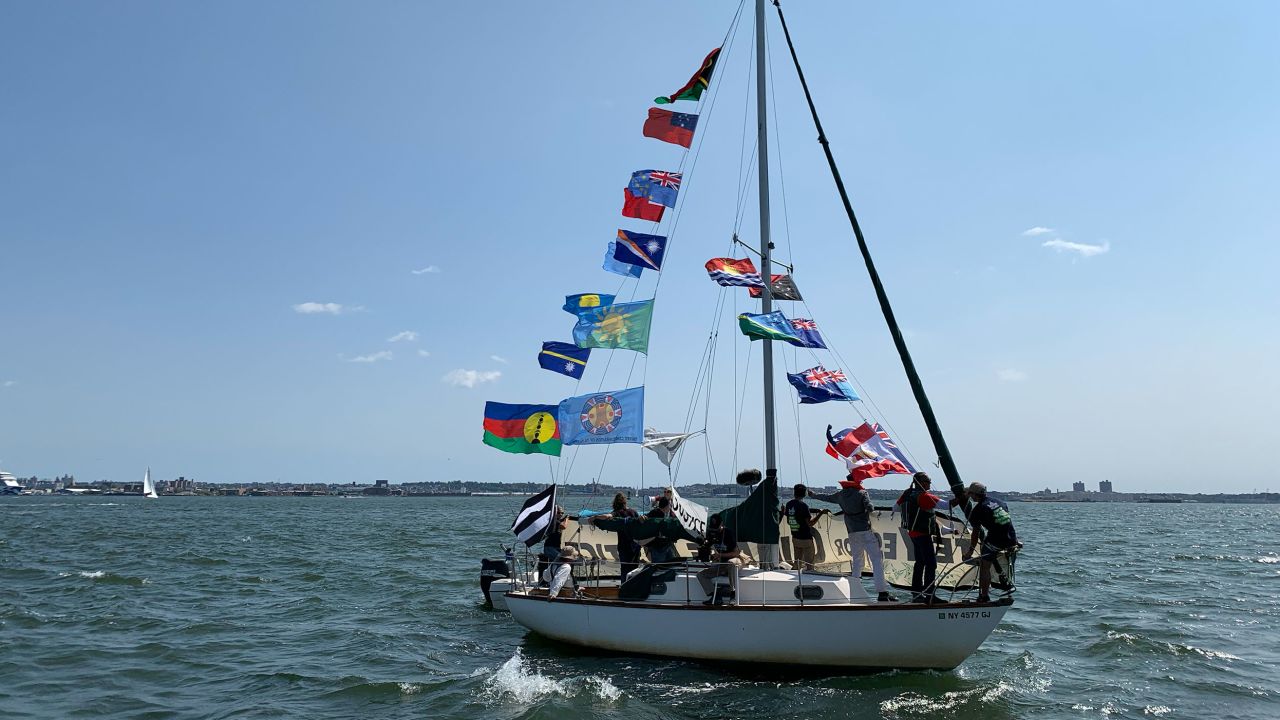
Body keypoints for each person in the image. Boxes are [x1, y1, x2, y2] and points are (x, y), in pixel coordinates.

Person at [810, 474, 895, 602]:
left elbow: (825, 497)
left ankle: (855, 589)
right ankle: (882, 592)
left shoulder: (841, 495)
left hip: (852, 531)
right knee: (876, 560)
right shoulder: (862, 493)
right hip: (865, 530)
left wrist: (813, 494)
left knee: (857, 560)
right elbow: (870, 507)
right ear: (857, 481)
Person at [962, 482, 1020, 603]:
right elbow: (1004, 522)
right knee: (992, 545)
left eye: (970, 494)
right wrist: (1014, 541)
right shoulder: (1000, 502)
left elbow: (975, 533)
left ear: (974, 495)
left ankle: (984, 596)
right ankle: (1005, 583)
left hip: (996, 540)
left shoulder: (977, 510)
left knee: (984, 565)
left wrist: (970, 551)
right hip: (1012, 538)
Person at [896, 472, 946, 603]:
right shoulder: (924, 496)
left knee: (920, 563)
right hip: (922, 534)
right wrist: (962, 497)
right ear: (920, 482)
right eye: (927, 481)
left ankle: (916, 594)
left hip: (912, 533)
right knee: (931, 564)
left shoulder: (907, 493)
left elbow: (895, 508)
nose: (929, 483)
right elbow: (948, 506)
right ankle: (930, 595)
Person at [696, 514, 741, 605]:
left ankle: (733, 594)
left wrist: (720, 555)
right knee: (701, 575)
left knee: (731, 563)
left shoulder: (728, 533)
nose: (715, 530)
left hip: (735, 559)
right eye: (713, 528)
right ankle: (716, 596)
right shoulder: (711, 533)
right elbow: (708, 546)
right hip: (721, 562)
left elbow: (736, 553)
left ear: (722, 524)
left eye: (717, 527)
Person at [783, 483, 827, 570]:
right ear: (804, 494)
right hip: (806, 539)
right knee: (809, 564)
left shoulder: (789, 504)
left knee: (797, 563)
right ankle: (809, 579)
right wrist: (821, 513)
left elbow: (789, 521)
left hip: (795, 538)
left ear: (794, 493)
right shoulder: (804, 506)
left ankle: (794, 579)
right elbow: (810, 524)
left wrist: (784, 512)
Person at [597, 492, 642, 578]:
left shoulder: (616, 513)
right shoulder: (634, 512)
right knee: (634, 569)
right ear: (625, 502)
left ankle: (624, 587)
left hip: (623, 546)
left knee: (625, 569)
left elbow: (607, 516)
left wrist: (594, 518)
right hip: (635, 545)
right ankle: (634, 587)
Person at [645, 496, 680, 565]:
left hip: (666, 545)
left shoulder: (657, 513)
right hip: (658, 547)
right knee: (659, 568)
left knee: (671, 564)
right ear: (666, 506)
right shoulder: (656, 513)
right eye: (669, 505)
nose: (670, 507)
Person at [537, 506, 569, 579]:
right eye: (558, 513)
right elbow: (563, 526)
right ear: (554, 513)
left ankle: (551, 579)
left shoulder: (558, 521)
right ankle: (549, 578)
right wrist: (567, 518)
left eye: (562, 513)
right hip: (550, 548)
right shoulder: (553, 521)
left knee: (559, 563)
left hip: (557, 547)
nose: (560, 514)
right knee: (563, 561)